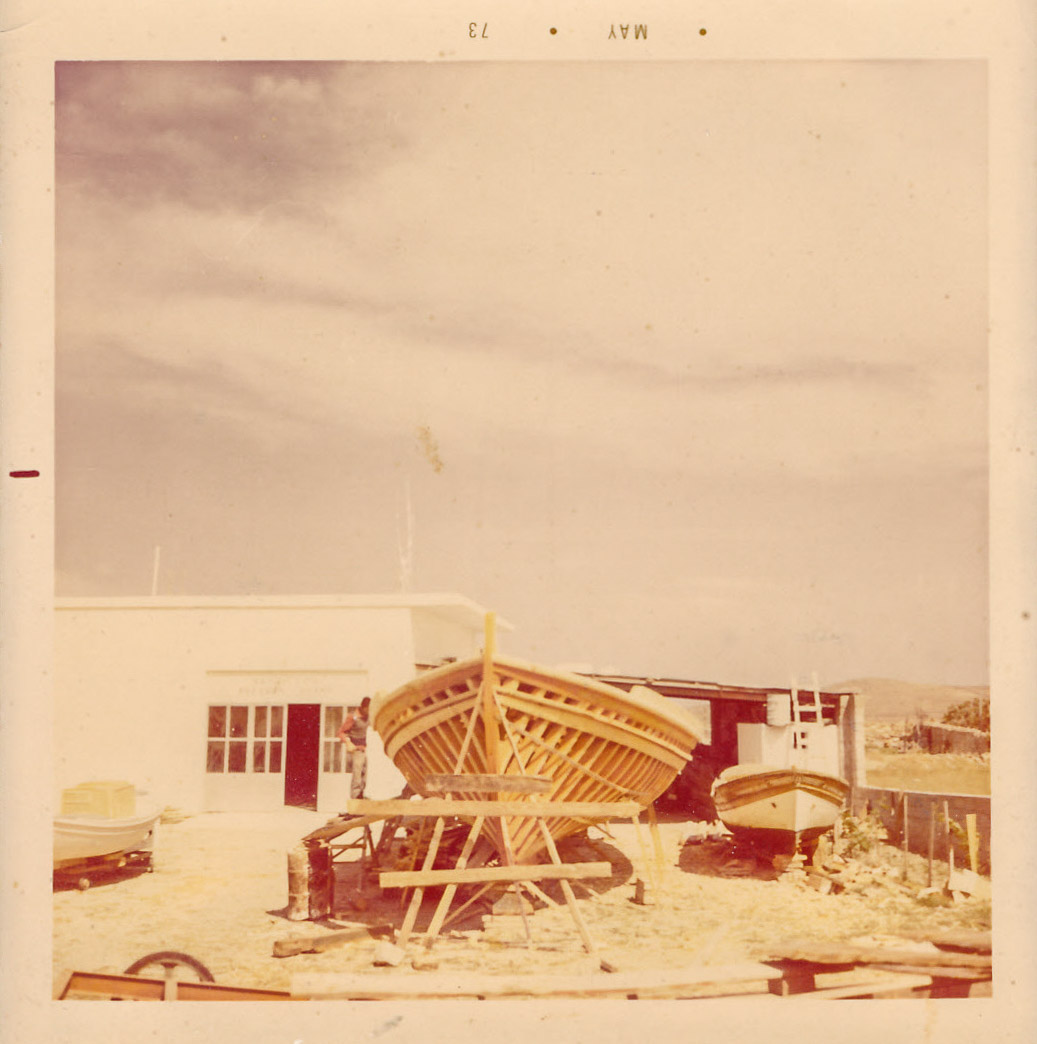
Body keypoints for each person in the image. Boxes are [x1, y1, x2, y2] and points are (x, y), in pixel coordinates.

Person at [337, 697, 371, 801]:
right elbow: (341, 732)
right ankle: (355, 797)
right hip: (355, 750)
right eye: (368, 709)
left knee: (364, 774)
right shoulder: (353, 717)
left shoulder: (368, 717)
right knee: (357, 775)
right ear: (363, 707)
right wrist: (348, 742)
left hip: (363, 749)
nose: (369, 711)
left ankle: (361, 796)